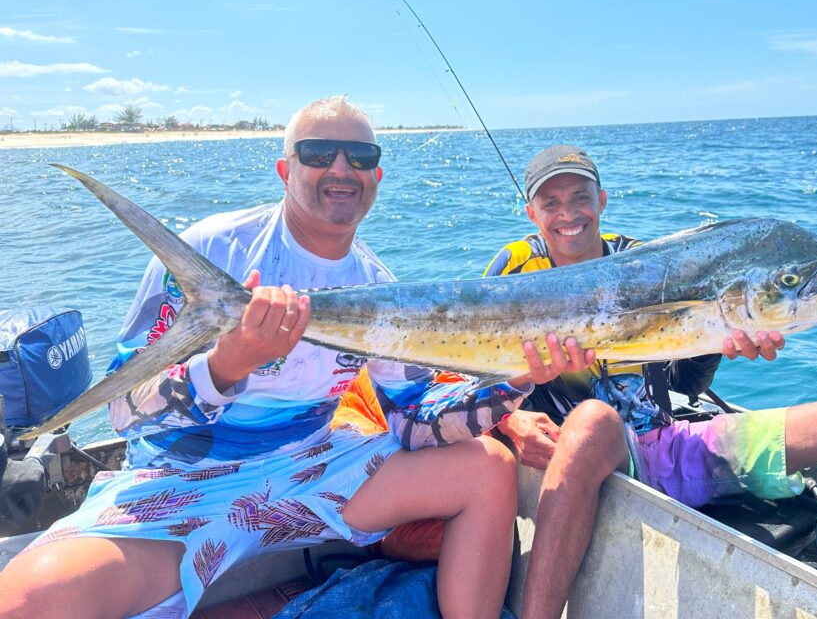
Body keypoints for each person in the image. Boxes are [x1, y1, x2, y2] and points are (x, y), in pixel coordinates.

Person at [0, 99, 588, 619]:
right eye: (318, 152)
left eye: (359, 156)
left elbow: (411, 420)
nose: (341, 168)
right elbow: (126, 413)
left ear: (376, 177)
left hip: (316, 465)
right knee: (30, 600)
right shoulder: (214, 248)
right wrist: (226, 365)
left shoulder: (376, 283)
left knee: (487, 465)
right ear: (286, 169)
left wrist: (513, 383)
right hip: (182, 480)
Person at [485, 144, 817, 619]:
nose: (568, 213)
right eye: (551, 203)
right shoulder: (511, 268)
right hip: (574, 450)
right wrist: (509, 422)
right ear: (531, 212)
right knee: (591, 419)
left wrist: (719, 347)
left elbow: (684, 386)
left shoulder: (644, 261)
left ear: (601, 200)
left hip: (663, 448)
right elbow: (460, 372)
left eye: (579, 197)